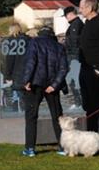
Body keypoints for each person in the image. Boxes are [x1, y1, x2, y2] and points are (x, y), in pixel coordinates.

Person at [21, 26, 68, 157]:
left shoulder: (34, 43)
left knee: (31, 116)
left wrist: (26, 81)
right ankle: (63, 146)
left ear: (40, 34)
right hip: (51, 86)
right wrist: (54, 85)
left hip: (35, 84)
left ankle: (30, 148)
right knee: (57, 117)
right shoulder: (59, 47)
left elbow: (31, 63)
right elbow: (64, 68)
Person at [78, 0, 99, 134]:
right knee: (87, 101)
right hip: (84, 67)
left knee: (96, 101)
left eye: (82, 7)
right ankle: (91, 130)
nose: (80, 10)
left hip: (94, 69)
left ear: (90, 7)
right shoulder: (87, 23)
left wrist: (98, 67)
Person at [2, 24, 31, 113]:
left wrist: (7, 75)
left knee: (17, 94)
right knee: (26, 95)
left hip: (16, 73)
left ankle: (16, 113)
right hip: (28, 71)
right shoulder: (28, 40)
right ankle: (26, 111)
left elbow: (9, 60)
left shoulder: (10, 41)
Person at [63, 5, 83, 106]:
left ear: (70, 14)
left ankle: (79, 103)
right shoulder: (76, 24)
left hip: (74, 57)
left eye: (66, 16)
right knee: (73, 80)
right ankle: (78, 102)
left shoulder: (75, 25)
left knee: (73, 80)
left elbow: (75, 42)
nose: (66, 19)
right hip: (73, 56)